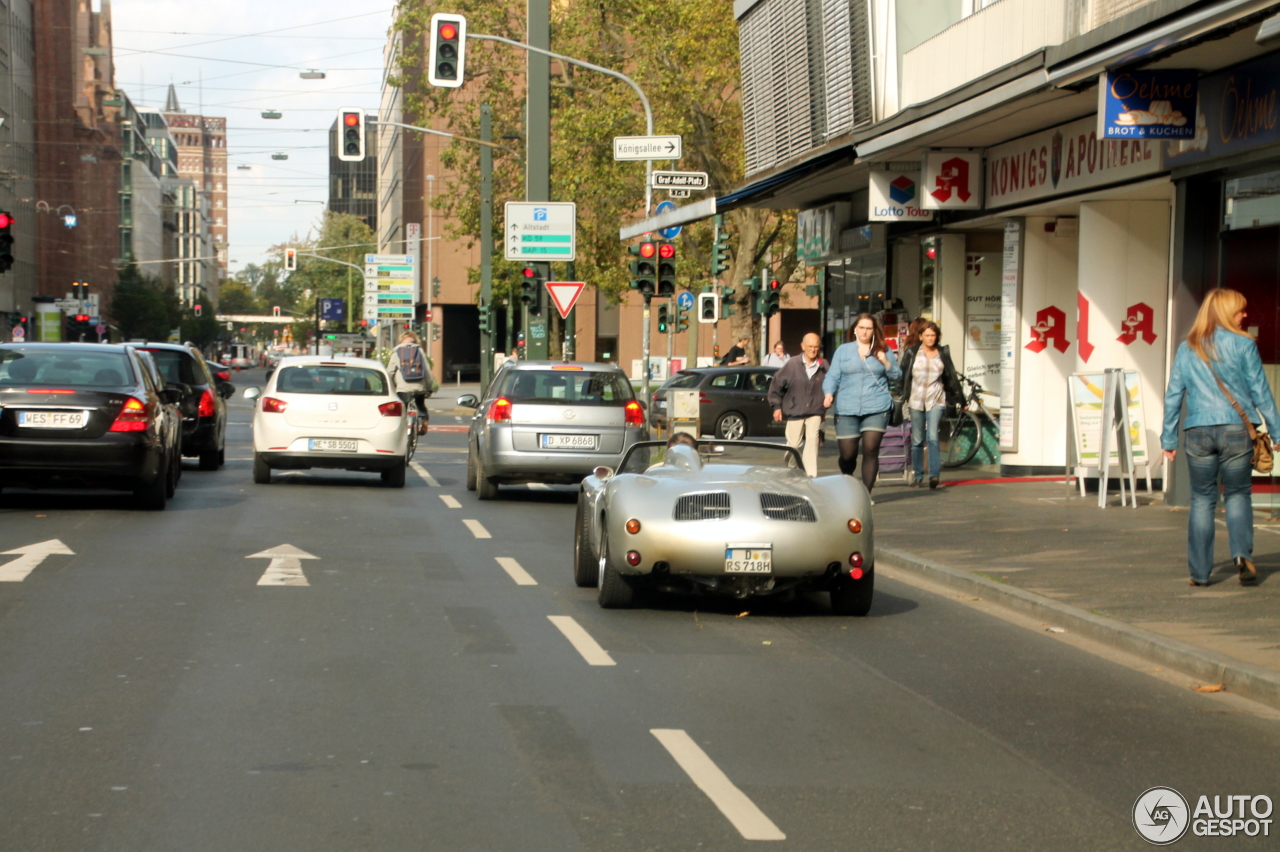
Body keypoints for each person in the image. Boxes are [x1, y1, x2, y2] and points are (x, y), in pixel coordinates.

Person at [1162, 289, 1280, 586]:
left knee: (1202, 499)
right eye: (1241, 310)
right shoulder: (1243, 345)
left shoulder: (1186, 348)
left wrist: (1168, 439)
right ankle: (1242, 554)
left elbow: (1174, 395)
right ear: (1228, 313)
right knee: (1238, 494)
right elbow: (1260, 393)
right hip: (1236, 430)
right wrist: (1276, 431)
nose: (1245, 315)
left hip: (1198, 431)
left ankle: (1200, 573)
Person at [823, 313, 901, 495]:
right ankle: (849, 484)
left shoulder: (883, 348)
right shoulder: (843, 350)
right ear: (855, 330)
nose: (865, 332)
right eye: (862, 328)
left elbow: (897, 375)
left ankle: (866, 494)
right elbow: (833, 375)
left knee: (871, 449)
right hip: (847, 407)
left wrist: (885, 361)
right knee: (848, 454)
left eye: (869, 328)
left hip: (876, 406)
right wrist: (828, 393)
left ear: (874, 331)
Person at [898, 321, 964, 489]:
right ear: (920, 336)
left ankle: (934, 476)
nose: (930, 338)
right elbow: (903, 375)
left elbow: (951, 378)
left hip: (936, 399)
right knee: (918, 440)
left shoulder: (942, 353)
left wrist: (960, 399)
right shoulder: (912, 353)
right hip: (916, 400)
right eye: (927, 335)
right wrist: (899, 394)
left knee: (933, 437)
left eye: (933, 335)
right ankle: (918, 475)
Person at [767, 333, 827, 477]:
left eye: (816, 347)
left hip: (815, 410)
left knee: (812, 442)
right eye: (810, 346)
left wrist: (826, 404)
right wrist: (776, 406)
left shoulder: (824, 365)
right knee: (793, 445)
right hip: (795, 410)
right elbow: (776, 385)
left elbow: (831, 385)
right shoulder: (793, 364)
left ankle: (810, 476)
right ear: (803, 346)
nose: (813, 350)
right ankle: (791, 467)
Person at [386, 330, 436, 435]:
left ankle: (400, 429)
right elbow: (427, 371)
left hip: (403, 388)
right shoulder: (419, 351)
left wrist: (389, 387)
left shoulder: (397, 352)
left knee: (402, 409)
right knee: (420, 404)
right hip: (419, 387)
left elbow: (389, 372)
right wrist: (429, 387)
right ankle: (424, 420)